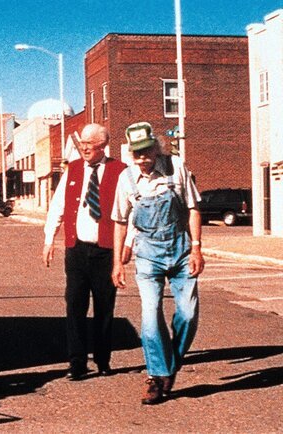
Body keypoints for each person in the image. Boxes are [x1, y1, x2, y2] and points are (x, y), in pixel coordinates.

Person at [111, 122, 205, 405]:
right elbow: (119, 222)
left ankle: (169, 364)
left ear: (156, 147)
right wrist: (118, 261)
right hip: (148, 255)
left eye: (147, 151)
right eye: (136, 153)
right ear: (130, 154)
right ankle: (155, 376)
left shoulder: (176, 168)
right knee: (150, 316)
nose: (142, 158)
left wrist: (197, 248)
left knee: (188, 314)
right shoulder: (126, 180)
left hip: (180, 250)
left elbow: (193, 209)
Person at [43, 123, 127, 380]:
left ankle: (102, 359)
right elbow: (58, 205)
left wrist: (125, 250)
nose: (84, 148)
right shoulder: (74, 169)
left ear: (102, 146)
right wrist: (49, 239)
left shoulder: (120, 171)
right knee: (75, 306)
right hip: (76, 249)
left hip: (105, 251)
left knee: (104, 308)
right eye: (82, 144)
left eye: (89, 145)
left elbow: (129, 214)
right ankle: (77, 363)